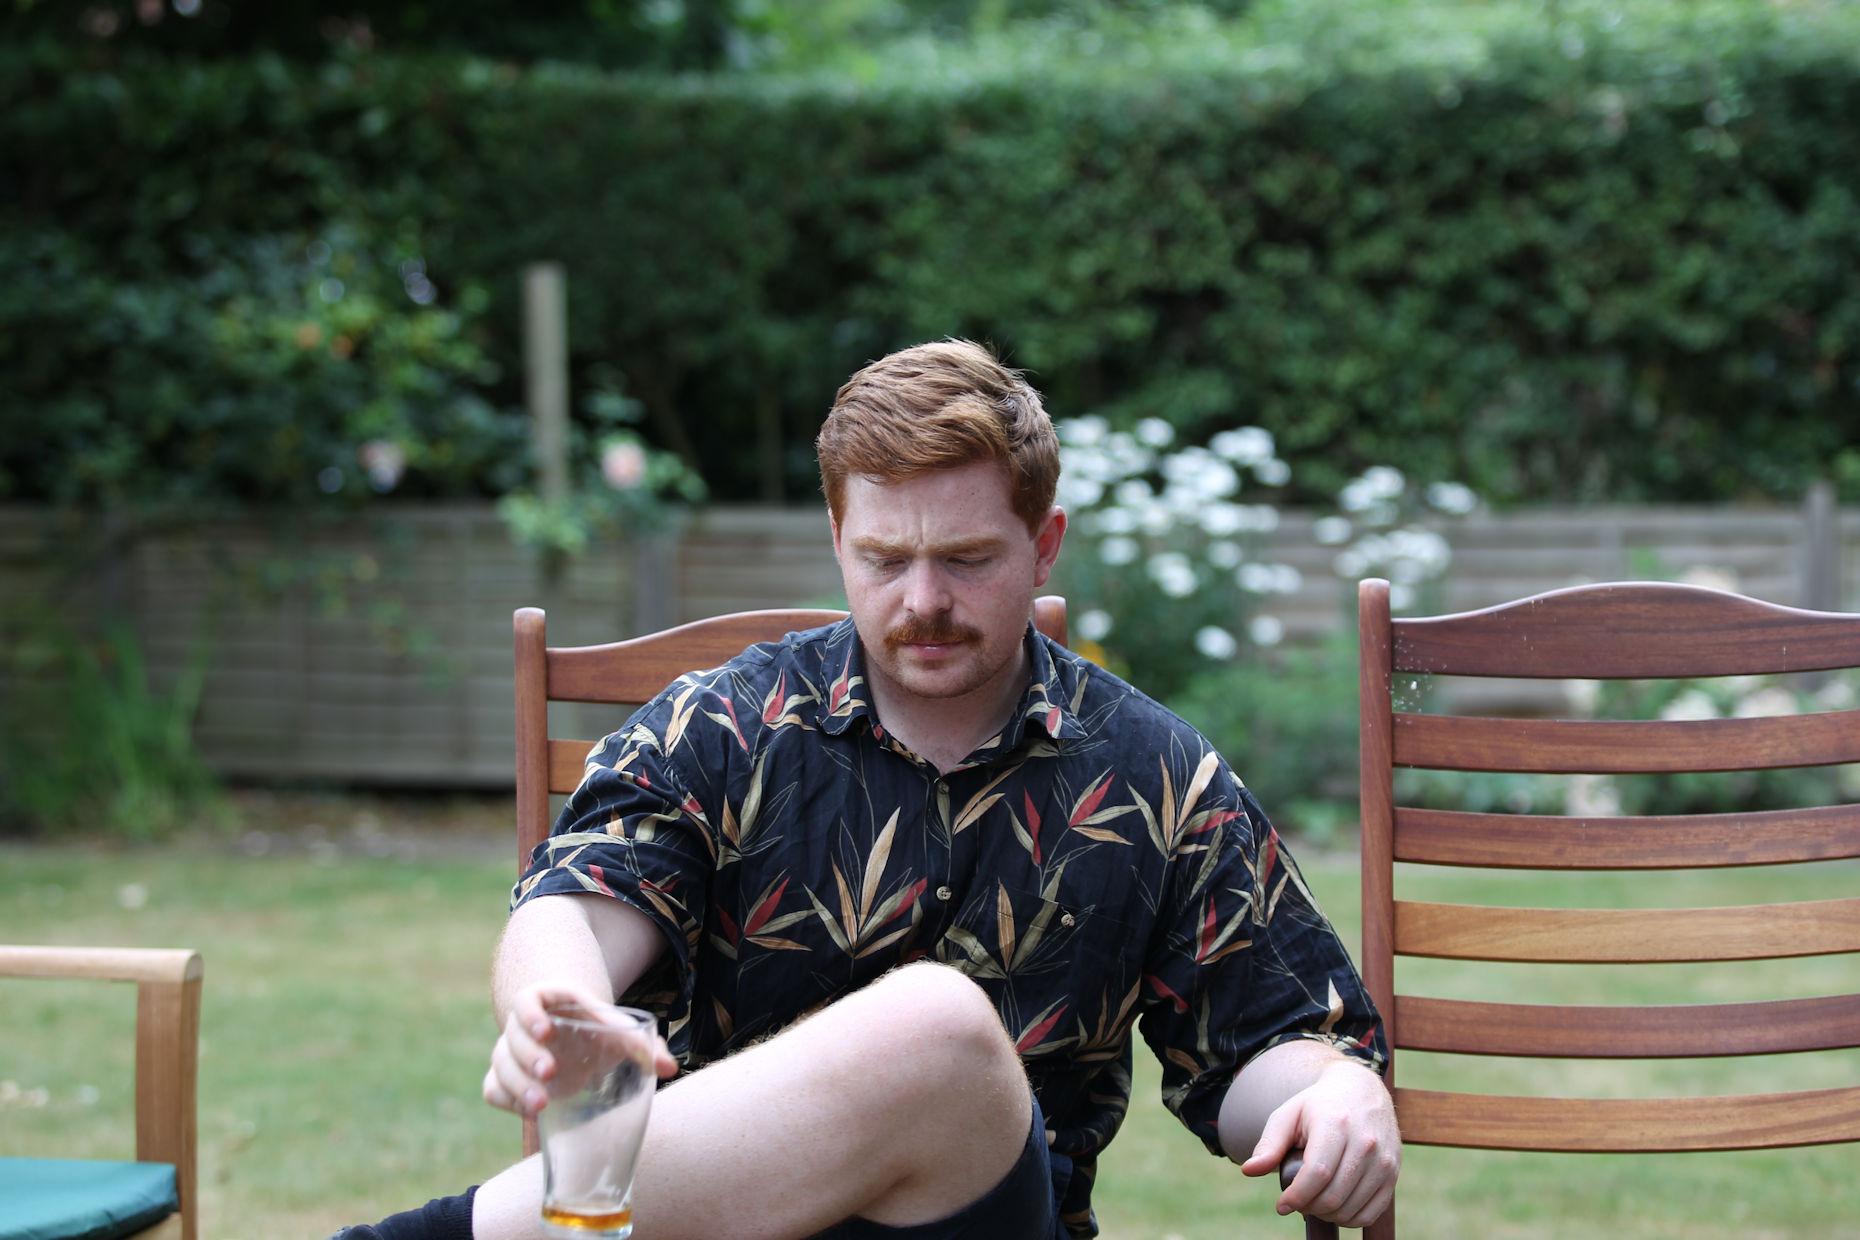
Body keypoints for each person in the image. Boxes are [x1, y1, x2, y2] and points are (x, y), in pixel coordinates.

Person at [339, 339, 1398, 1240]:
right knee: (927, 1025)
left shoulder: (1152, 772)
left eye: (969, 559)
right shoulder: (724, 726)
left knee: (939, 1028)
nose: (924, 599)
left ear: (1044, 546)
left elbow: (1272, 1037)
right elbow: (578, 903)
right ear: (838, 542)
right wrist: (558, 1004)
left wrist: (1335, 1087)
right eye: (885, 559)